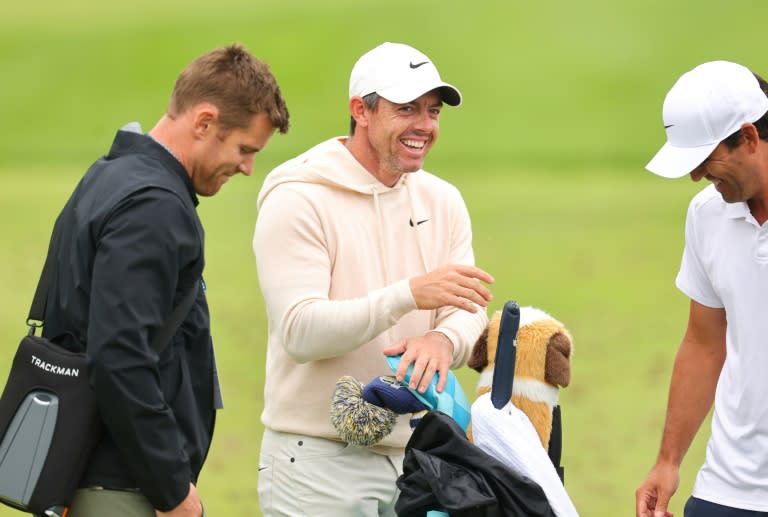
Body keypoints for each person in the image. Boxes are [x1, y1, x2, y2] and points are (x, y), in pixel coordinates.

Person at [41, 44, 289, 517]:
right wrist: (172, 489)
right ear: (204, 122)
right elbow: (119, 357)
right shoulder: (154, 207)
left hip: (92, 472)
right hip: (120, 485)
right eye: (244, 149)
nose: (247, 167)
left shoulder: (110, 175)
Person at [253, 41, 494, 516]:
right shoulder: (299, 196)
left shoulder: (443, 201)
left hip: (422, 460)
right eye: (407, 109)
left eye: (433, 111)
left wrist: (443, 342)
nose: (424, 126)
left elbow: (469, 310)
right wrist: (407, 296)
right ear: (360, 110)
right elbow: (300, 331)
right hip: (316, 464)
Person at [636, 60, 768, 517]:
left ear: (749, 138)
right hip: (728, 488)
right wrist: (668, 462)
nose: (695, 177)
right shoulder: (706, 214)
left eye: (703, 160)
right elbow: (704, 342)